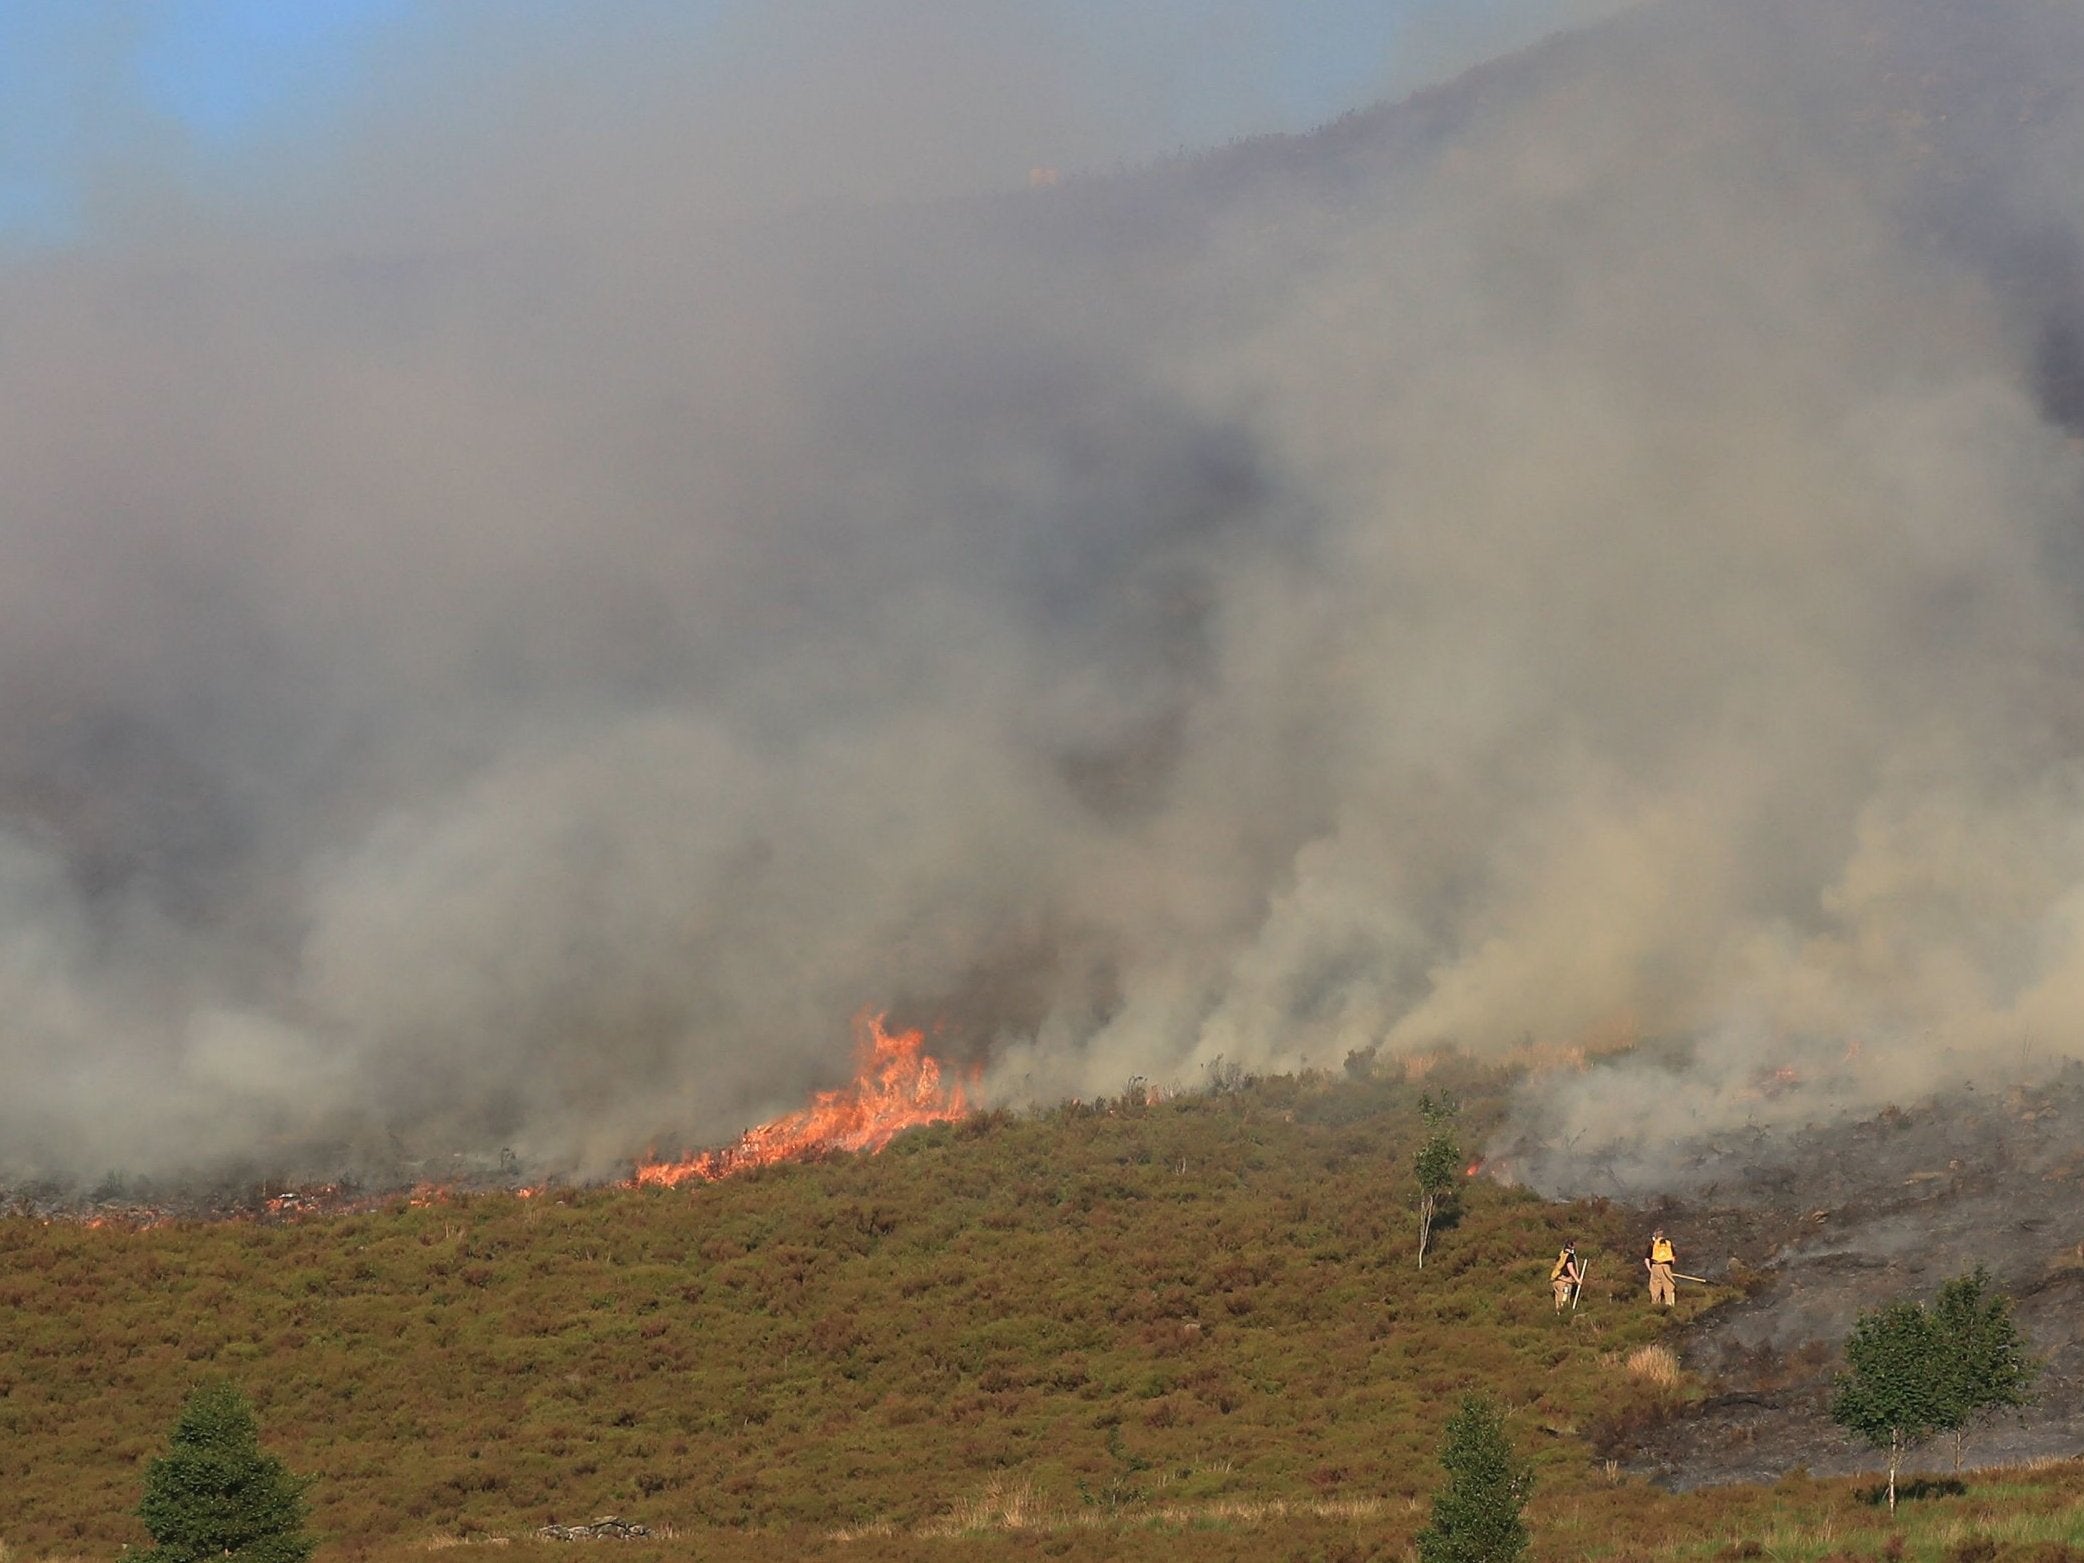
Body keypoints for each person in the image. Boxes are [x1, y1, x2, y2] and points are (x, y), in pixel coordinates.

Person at [1644, 1228, 1677, 1307]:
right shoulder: (1669, 1244)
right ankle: (1670, 1304)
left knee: (1655, 1287)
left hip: (1655, 1267)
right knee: (1669, 1286)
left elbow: (1646, 1259)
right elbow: (1673, 1258)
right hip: (1666, 1266)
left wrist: (1650, 1269)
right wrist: (1669, 1268)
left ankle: (1655, 1306)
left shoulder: (1652, 1244)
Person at [1550, 1242, 1582, 1310]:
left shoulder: (1561, 1255)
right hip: (1564, 1282)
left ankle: (1559, 1316)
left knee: (1558, 1302)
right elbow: (1570, 1268)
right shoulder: (1569, 1256)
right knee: (1564, 1302)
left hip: (1557, 1281)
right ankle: (1564, 1316)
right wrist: (1577, 1280)